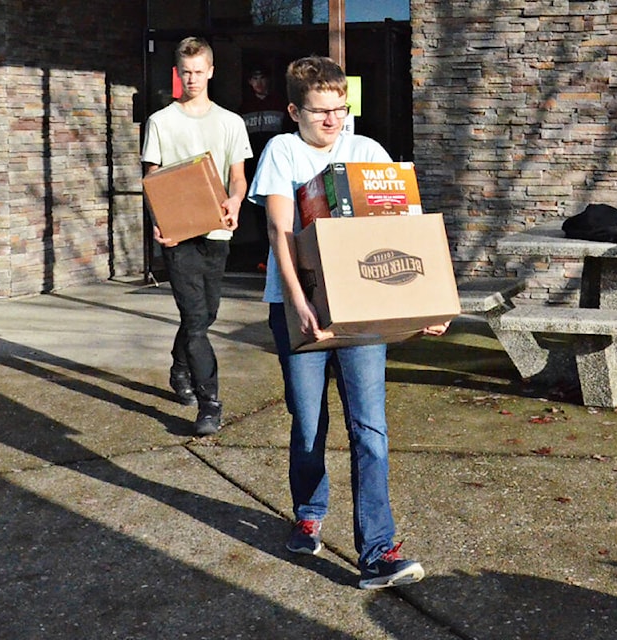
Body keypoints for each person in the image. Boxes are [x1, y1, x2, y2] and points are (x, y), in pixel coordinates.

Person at [247, 56, 450, 589]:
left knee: (371, 430)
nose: (333, 121)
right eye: (320, 112)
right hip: (298, 307)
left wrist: (423, 305)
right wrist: (299, 303)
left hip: (363, 312)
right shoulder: (282, 152)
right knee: (309, 423)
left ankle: (377, 550)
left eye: (341, 109)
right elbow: (279, 235)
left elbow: (401, 233)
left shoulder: (367, 152)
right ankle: (310, 510)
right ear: (294, 110)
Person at [141, 37, 253, 436]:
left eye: (198, 71)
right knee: (196, 320)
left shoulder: (231, 123)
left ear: (211, 71)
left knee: (205, 314)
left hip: (216, 231)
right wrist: (158, 220)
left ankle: (179, 366)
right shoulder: (161, 121)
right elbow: (152, 179)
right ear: (178, 73)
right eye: (185, 72)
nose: (192, 78)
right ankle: (210, 404)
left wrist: (236, 202)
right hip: (178, 235)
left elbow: (237, 178)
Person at [239, 63, 290, 271]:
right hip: (253, 166)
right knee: (258, 212)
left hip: (276, 164)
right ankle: (264, 255)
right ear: (250, 82)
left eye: (262, 77)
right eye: (255, 78)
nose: (259, 83)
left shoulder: (280, 104)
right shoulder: (243, 108)